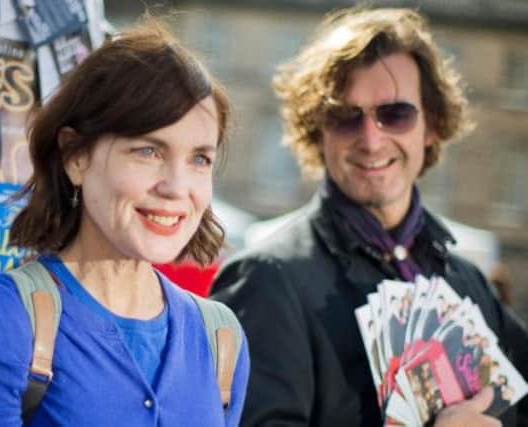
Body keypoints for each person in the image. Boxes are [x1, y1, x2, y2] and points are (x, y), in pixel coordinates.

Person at [211, 7, 528, 427]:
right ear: (317, 131)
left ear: (430, 126)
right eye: (345, 117)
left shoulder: (468, 282)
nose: (371, 138)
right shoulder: (264, 278)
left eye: (394, 114)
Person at [0, 18, 249, 426]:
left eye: (199, 158)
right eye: (148, 151)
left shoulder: (222, 340)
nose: (177, 187)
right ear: (75, 156)